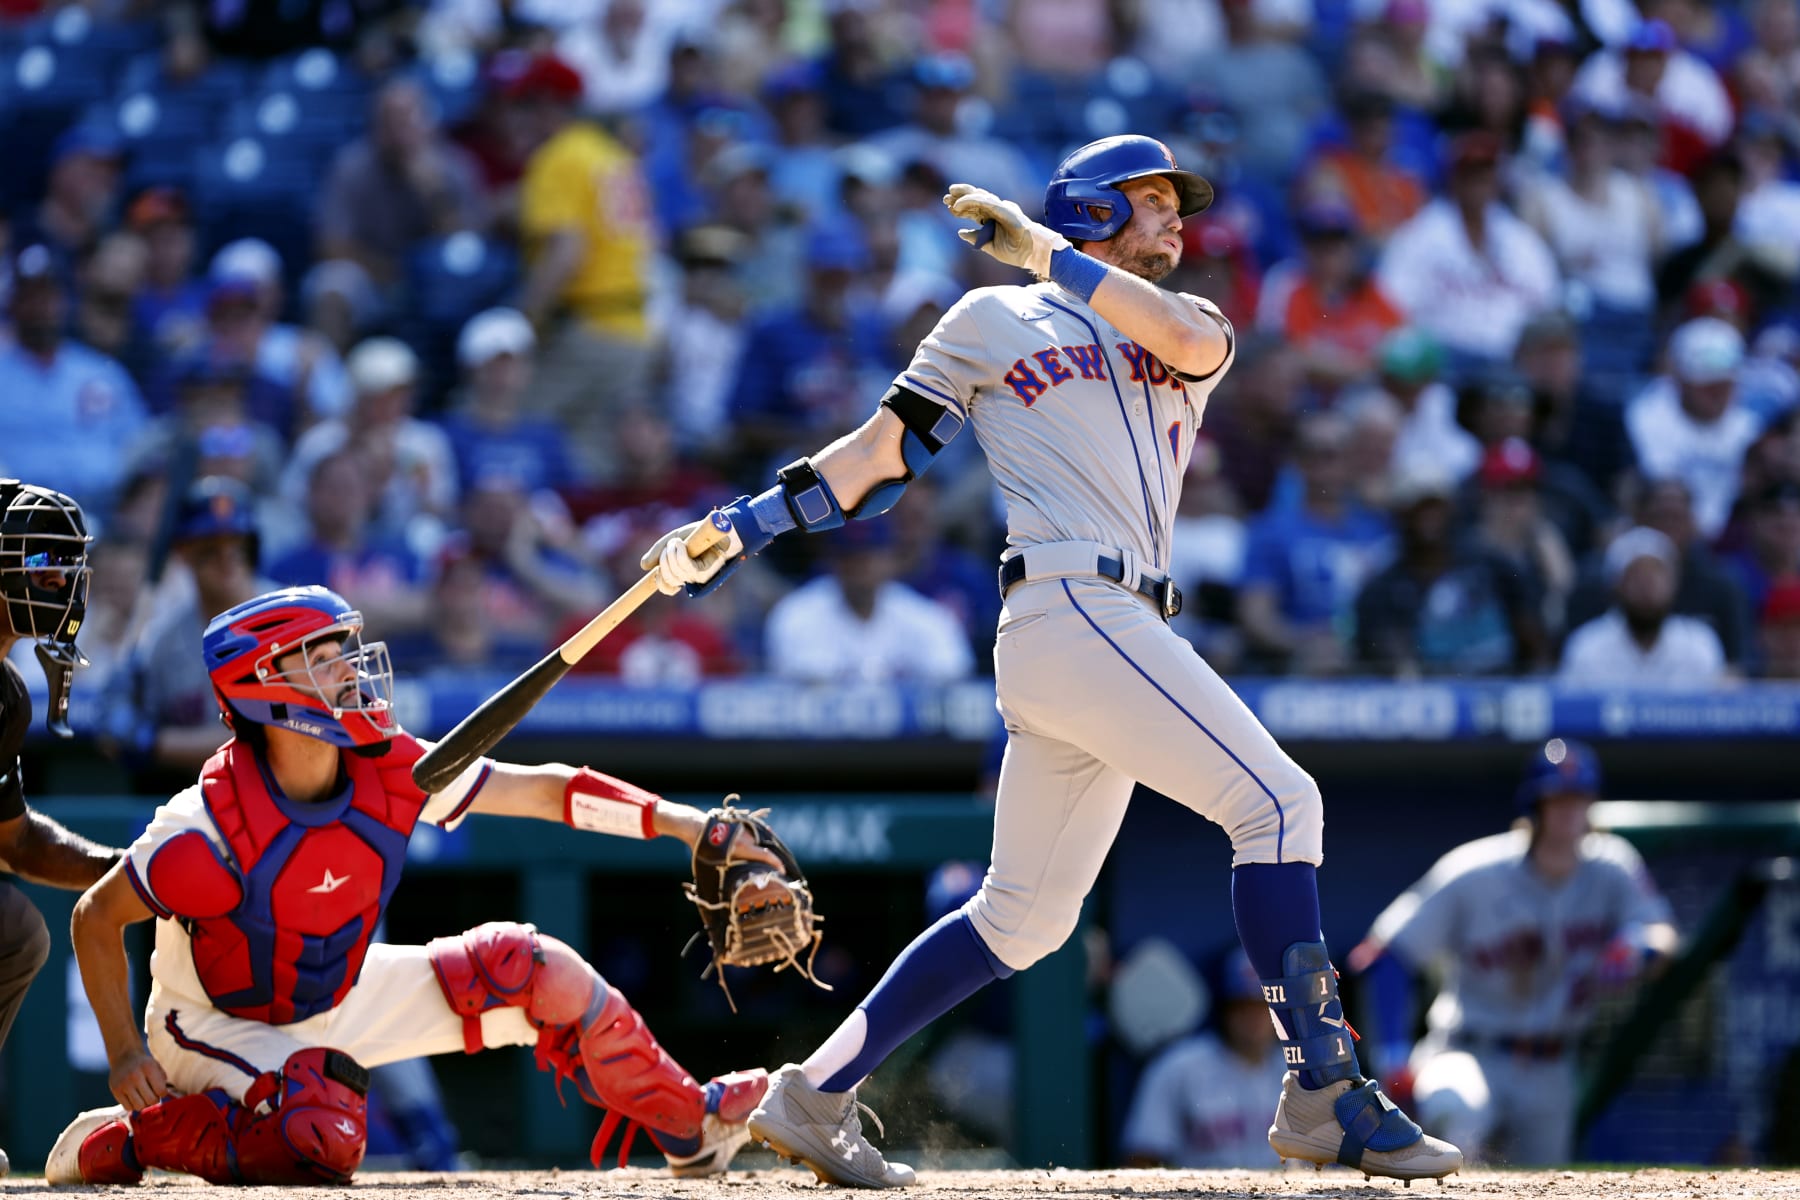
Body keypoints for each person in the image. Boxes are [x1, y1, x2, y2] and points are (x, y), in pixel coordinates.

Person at [642, 134, 1461, 1186]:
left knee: (1021, 920)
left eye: (1179, 206)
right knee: (1280, 806)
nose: (1178, 222)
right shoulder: (988, 320)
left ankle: (813, 1094)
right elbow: (874, 460)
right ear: (1092, 209)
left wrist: (1041, 252)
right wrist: (737, 528)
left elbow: (1188, 339)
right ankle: (1324, 1090)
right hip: (1066, 604)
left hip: (1123, 626)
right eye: (1155, 202)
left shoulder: (1189, 325)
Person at [46, 585, 775, 1186]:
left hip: (337, 994)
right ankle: (132, 1140)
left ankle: (690, 1122)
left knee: (531, 968)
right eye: (323, 659)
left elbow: (542, 793)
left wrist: (686, 825)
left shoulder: (391, 765)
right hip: (211, 1025)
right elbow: (93, 918)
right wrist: (126, 1055)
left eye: (345, 653)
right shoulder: (202, 830)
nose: (352, 672)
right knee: (319, 1130)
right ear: (266, 687)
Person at [1349, 738, 1678, 1165]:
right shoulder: (1476, 870)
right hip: (1469, 1049)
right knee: (1455, 1115)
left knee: (1545, 1181)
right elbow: (1388, 953)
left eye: (1578, 799)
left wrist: (1640, 948)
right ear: (1534, 806)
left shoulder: (1612, 866)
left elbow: (1663, 932)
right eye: (1557, 799)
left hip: (1552, 1063)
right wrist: (1394, 1060)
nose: (1568, 812)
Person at [0, 481, 128, 1175]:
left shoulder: (4, 695)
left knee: (14, 932)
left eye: (63, 563)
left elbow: (15, 842)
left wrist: (134, 869)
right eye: (37, 561)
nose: (56, 580)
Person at [1120, 947, 1288, 1168]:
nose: (1253, 1019)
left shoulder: (1302, 1070)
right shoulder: (1177, 1067)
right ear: (1223, 1009)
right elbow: (1142, 1158)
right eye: (1241, 1006)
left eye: (1262, 1006)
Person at [1558, 526, 1729, 687]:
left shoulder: (1699, 645)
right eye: (1636, 577)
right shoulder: (1587, 648)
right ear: (1616, 586)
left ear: (1674, 583)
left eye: (1657, 575)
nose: (1647, 586)